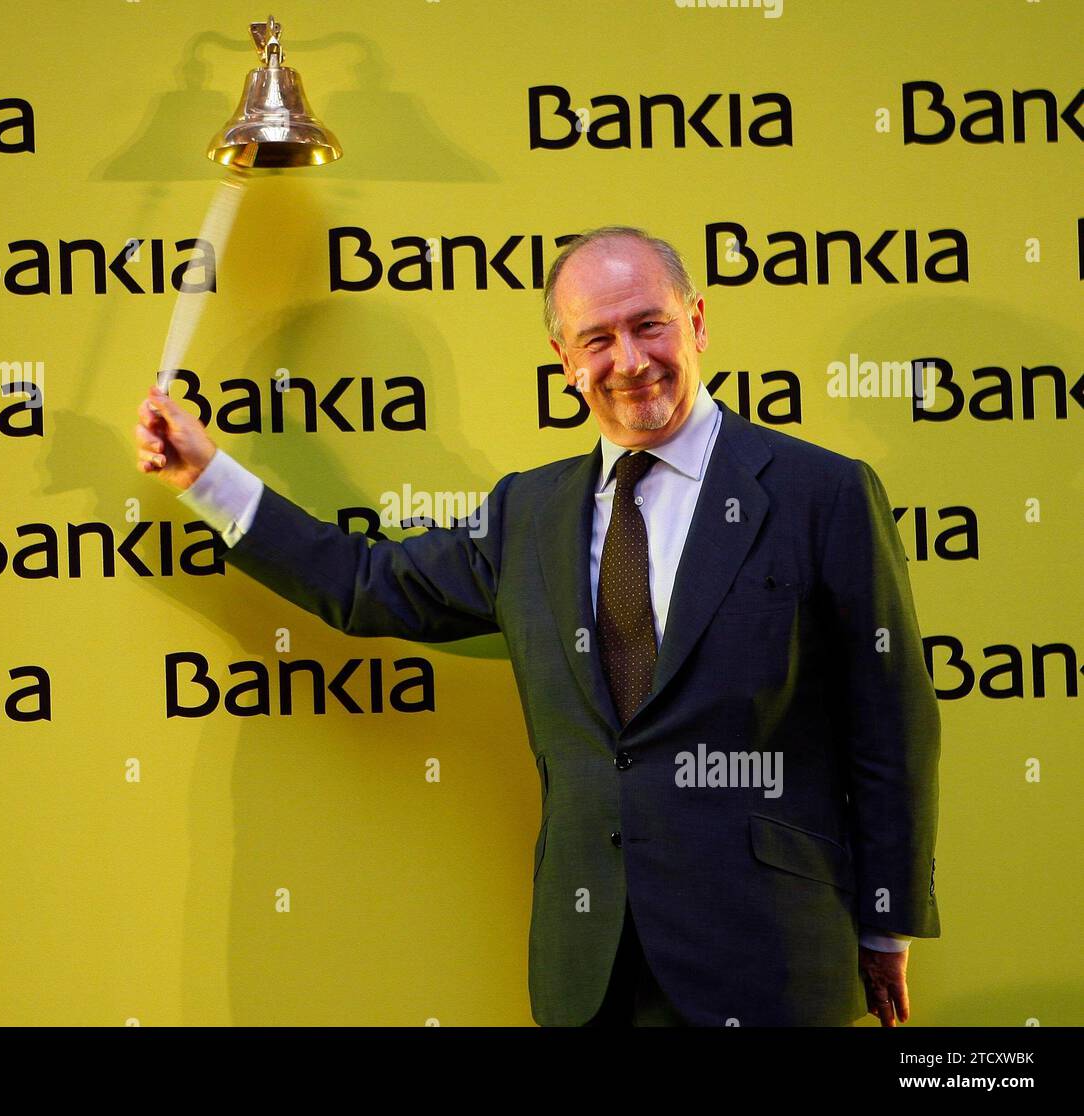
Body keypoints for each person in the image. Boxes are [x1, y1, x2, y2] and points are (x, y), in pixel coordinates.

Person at [133, 226, 940, 1027]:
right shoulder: (530, 513)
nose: (628, 360)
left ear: (696, 321)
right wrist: (208, 478)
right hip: (586, 967)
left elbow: (891, 725)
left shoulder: (820, 492)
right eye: (598, 338)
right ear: (565, 362)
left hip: (770, 960)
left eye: (648, 324)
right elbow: (367, 585)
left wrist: (884, 922)